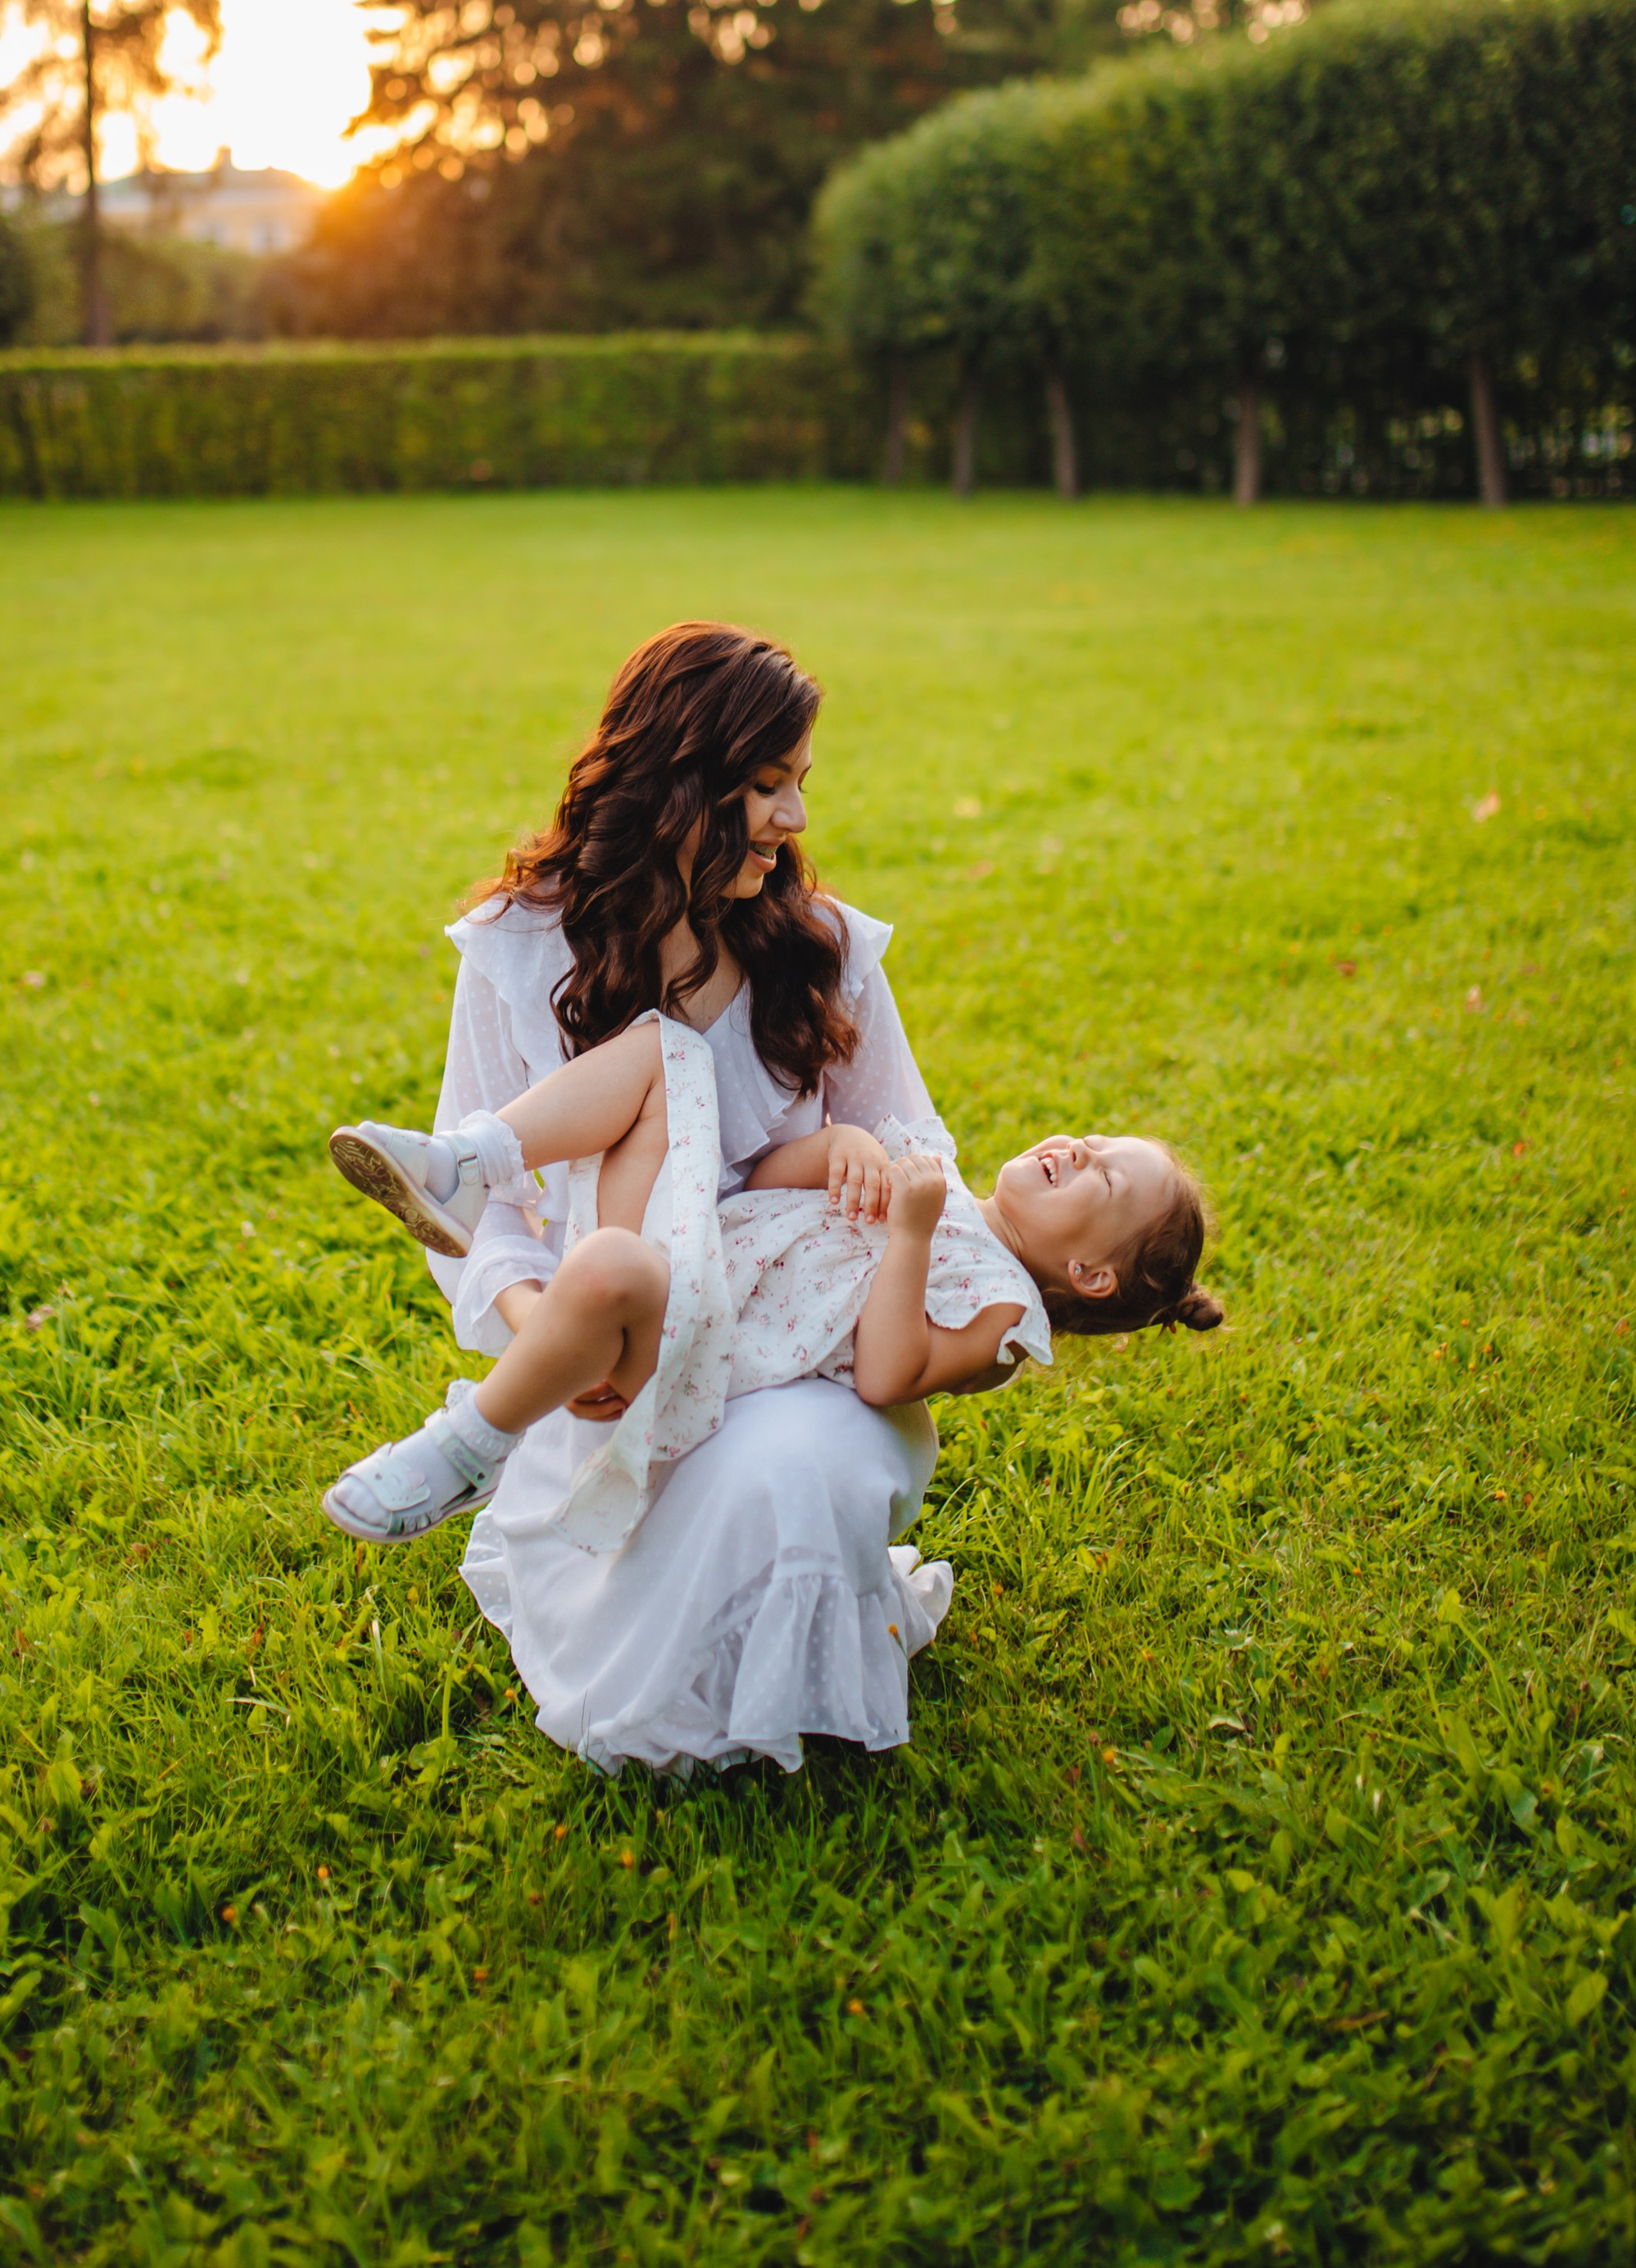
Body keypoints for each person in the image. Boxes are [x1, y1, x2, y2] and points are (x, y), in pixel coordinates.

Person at [319, 619, 1215, 1775]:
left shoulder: (821, 946)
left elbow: (909, 1151)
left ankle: (753, 1693)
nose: (794, 819)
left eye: (799, 784)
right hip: (609, 1321)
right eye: (764, 787)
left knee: (786, 1462)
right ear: (673, 786)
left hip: (789, 1347)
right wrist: (550, 1337)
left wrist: (849, 1149)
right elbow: (489, 1243)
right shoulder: (519, 947)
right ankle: (475, 1190)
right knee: (658, 1082)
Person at [325, 1024, 1214, 1553]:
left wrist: (907, 1232)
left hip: (699, 1345)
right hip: (699, 1249)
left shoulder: (1004, 1316)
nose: (1077, 1148)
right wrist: (841, 1152)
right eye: (1095, 1138)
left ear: (1091, 1275)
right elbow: (761, 1186)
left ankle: (470, 1444)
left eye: (1103, 1177)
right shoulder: (928, 1167)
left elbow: (889, 1377)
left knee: (611, 1270)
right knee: (662, 1050)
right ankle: (468, 1164)